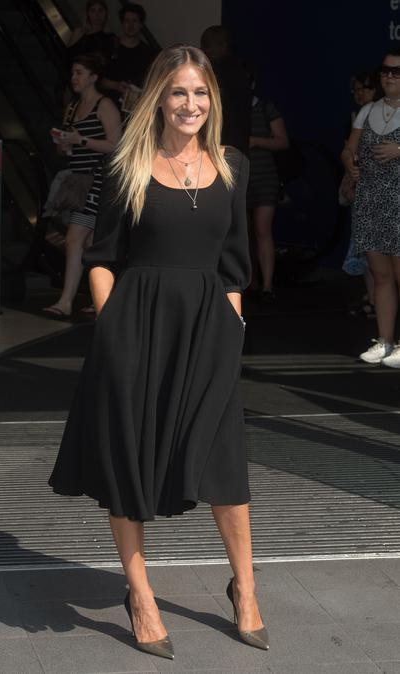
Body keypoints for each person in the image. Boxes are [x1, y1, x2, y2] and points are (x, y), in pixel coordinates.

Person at [49, 45, 268, 659]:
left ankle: (246, 588)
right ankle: (141, 597)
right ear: (158, 99)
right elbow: (102, 258)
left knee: (224, 463)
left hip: (208, 331)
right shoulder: (128, 164)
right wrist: (113, 331)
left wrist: (232, 330)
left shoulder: (233, 165)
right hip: (137, 330)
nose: (190, 104)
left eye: (200, 93)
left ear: (212, 100)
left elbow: (233, 267)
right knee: (130, 462)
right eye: (178, 92)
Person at [43, 53, 121, 318]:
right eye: (73, 72)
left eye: (79, 73)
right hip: (78, 180)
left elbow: (116, 145)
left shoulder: (104, 105)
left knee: (75, 238)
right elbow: (68, 149)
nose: (74, 78)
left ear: (93, 77)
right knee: (90, 244)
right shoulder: (72, 107)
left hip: (99, 180)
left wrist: (81, 140)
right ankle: (102, 300)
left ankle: (66, 302)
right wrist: (64, 142)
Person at [342, 48, 400, 366]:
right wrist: (350, 165)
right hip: (370, 201)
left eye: (396, 72)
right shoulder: (368, 110)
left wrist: (399, 149)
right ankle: (385, 341)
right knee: (380, 275)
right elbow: (348, 149)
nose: (389, 76)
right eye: (385, 71)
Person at [247, 97, 289, 300]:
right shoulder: (226, 106)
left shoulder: (265, 108)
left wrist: (255, 141)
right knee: (243, 231)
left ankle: (267, 285)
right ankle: (250, 281)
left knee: (262, 230)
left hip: (265, 177)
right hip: (237, 176)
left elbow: (283, 141)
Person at [200, 25, 253, 155]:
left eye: (209, 45)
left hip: (221, 141)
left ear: (224, 45)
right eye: (205, 46)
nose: (206, 50)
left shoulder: (217, 72)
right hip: (235, 142)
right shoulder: (240, 70)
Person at [102, 3, 157, 109]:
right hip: (107, 105)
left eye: (134, 21)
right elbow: (97, 79)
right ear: (122, 23)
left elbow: (150, 85)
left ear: (141, 24)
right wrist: (116, 85)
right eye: (127, 21)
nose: (130, 25)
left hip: (133, 109)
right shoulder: (110, 45)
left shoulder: (148, 53)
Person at [67, 1, 117, 66]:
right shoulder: (78, 32)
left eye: (100, 10)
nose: (97, 15)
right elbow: (67, 57)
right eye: (93, 11)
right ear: (88, 13)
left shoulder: (110, 37)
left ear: (106, 13)